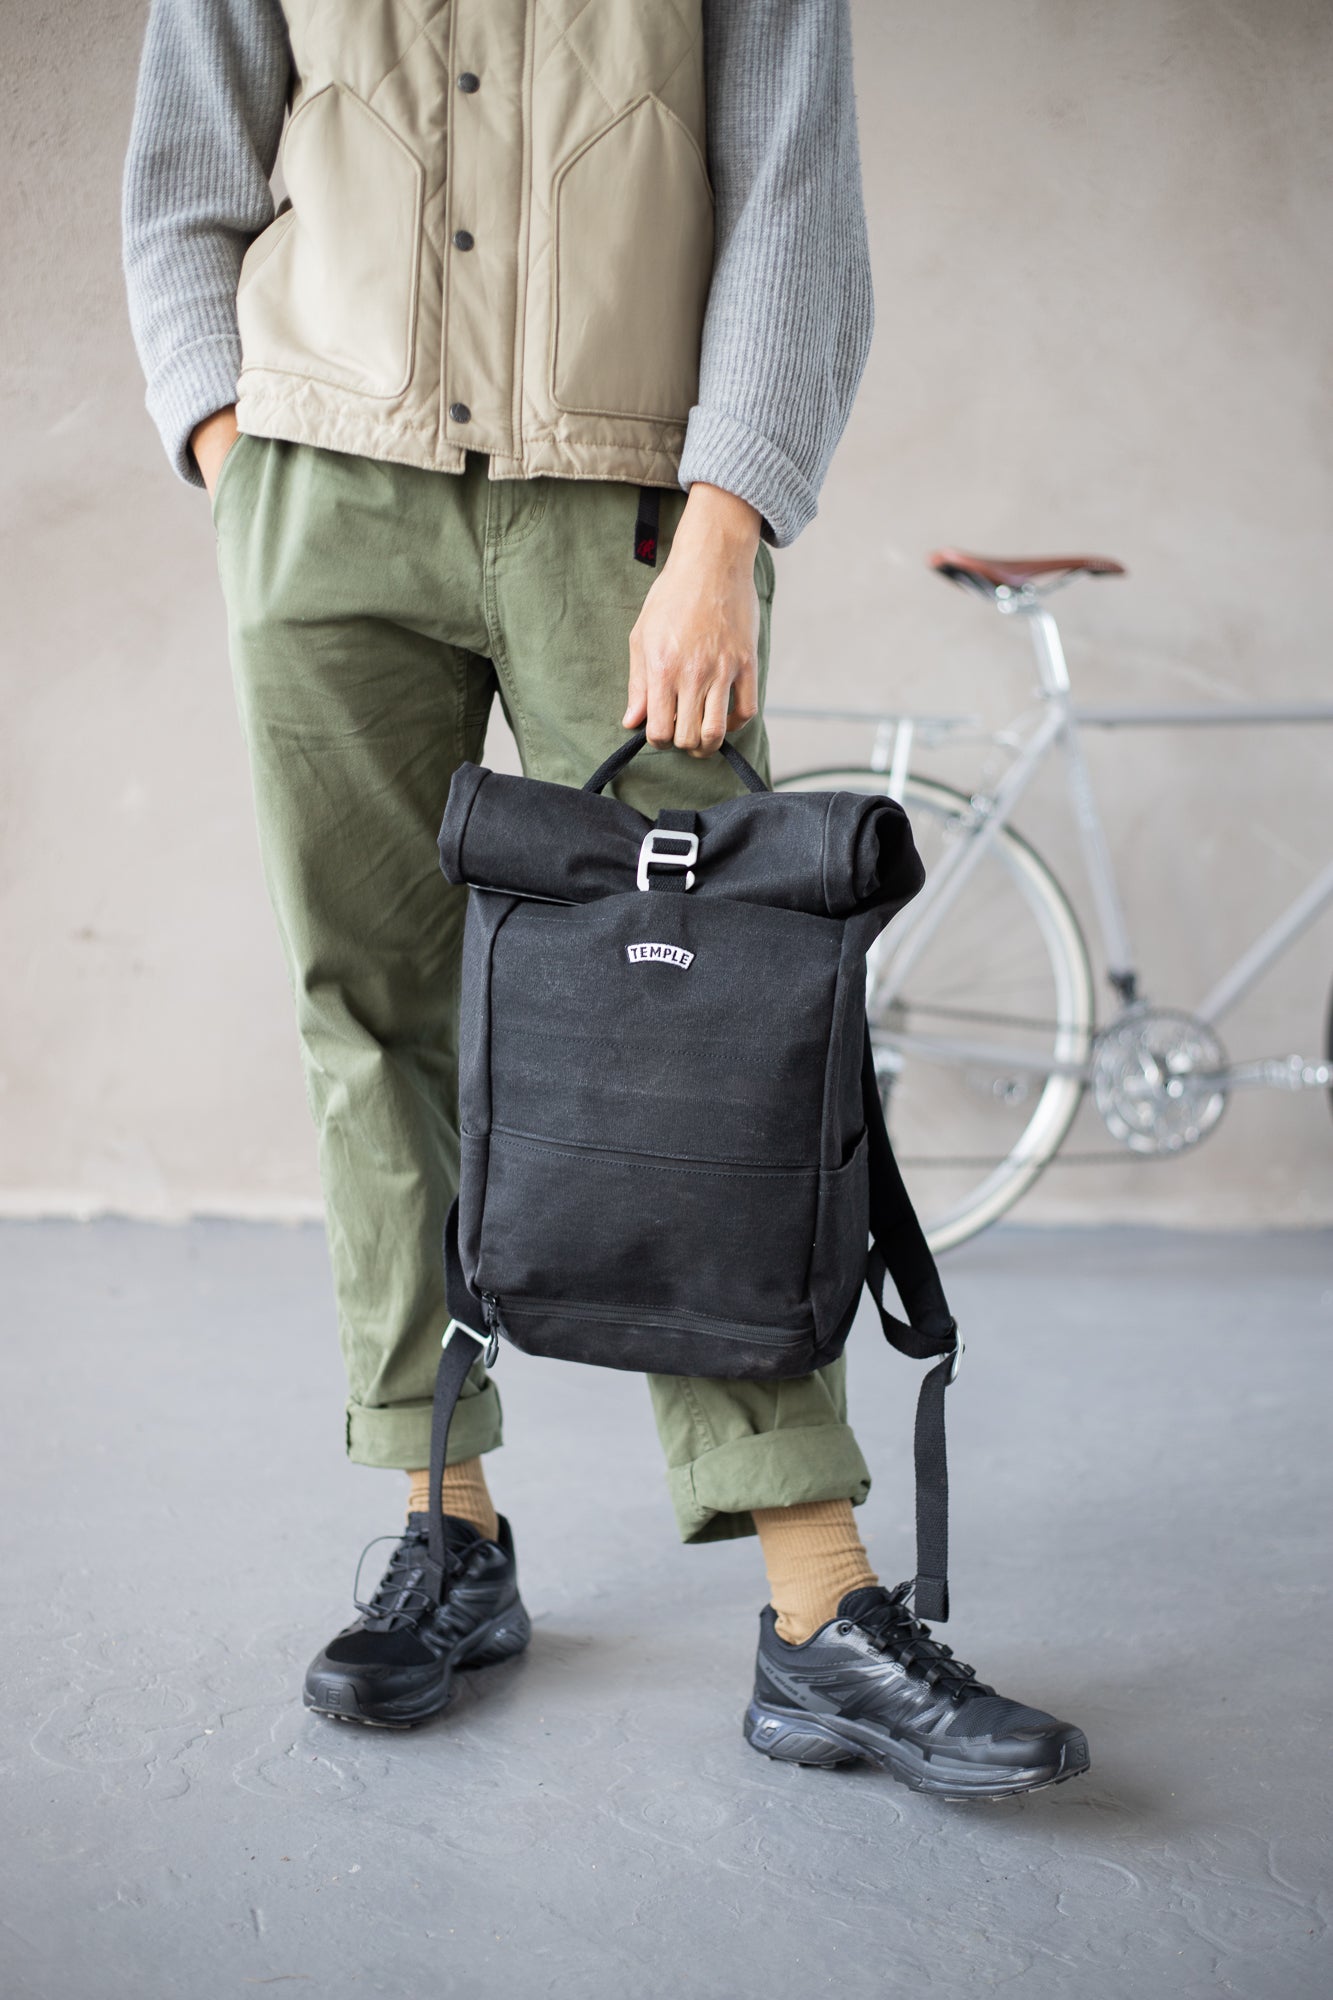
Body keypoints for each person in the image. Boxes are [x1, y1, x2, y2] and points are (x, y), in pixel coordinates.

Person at [123, 0, 1088, 1797]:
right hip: (323, 499)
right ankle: (450, 1532)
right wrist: (233, 460)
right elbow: (183, 182)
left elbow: (794, 206)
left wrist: (724, 526)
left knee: (708, 1035)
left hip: (626, 514)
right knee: (377, 1017)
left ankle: (816, 1610)